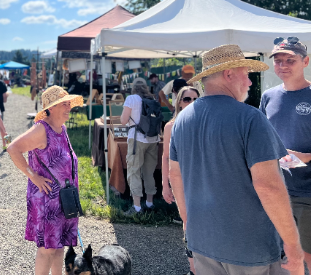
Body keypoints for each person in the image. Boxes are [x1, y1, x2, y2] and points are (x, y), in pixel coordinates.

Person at [169, 44, 305, 274]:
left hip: (203, 242)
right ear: (229, 74)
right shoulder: (250, 118)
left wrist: (189, 228)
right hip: (249, 250)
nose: (250, 82)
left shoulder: (182, 119)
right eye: (247, 74)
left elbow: (175, 175)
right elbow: (269, 186)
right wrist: (293, 247)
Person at [7, 86, 83, 275]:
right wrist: (33, 176)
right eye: (63, 104)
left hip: (64, 200)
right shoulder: (41, 129)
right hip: (47, 199)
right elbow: (13, 148)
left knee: (59, 247)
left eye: (68, 103)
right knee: (47, 249)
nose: (68, 107)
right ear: (50, 108)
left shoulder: (62, 129)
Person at [260, 36, 311, 270]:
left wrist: (306, 156)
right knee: (280, 256)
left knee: (307, 255)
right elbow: (261, 137)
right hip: (275, 188)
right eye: (278, 61)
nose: (282, 66)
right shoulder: (268, 97)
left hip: (307, 193)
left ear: (306, 61)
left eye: (289, 60)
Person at [162, 86, 200, 275]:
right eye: (186, 99)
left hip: (202, 180)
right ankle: (193, 267)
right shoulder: (171, 126)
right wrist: (165, 185)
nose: (191, 103)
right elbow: (165, 157)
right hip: (181, 181)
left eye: (195, 99)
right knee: (188, 223)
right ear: (179, 102)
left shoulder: (203, 122)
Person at [120, 80, 160, 215]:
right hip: (153, 139)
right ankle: (150, 203)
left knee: (134, 170)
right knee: (149, 172)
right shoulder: (152, 99)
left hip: (137, 138)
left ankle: (137, 207)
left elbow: (123, 120)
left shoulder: (131, 98)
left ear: (133, 88)